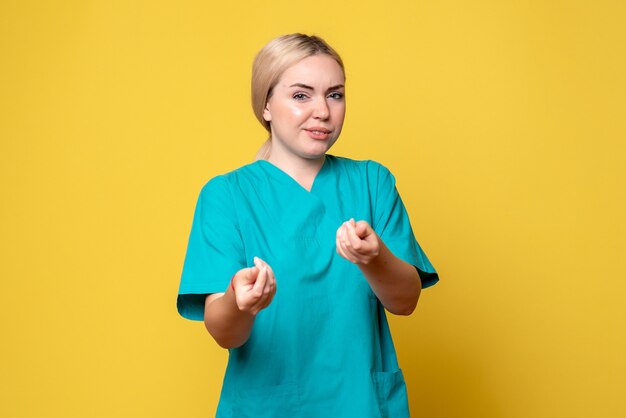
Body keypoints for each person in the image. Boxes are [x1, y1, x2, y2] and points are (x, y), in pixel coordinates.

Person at [177, 33, 439, 418]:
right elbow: (224, 332)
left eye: (335, 94)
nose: (323, 111)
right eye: (301, 95)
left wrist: (374, 258)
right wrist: (240, 302)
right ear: (265, 105)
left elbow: (405, 301)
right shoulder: (226, 196)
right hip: (267, 405)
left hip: (360, 402)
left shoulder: (372, 183)